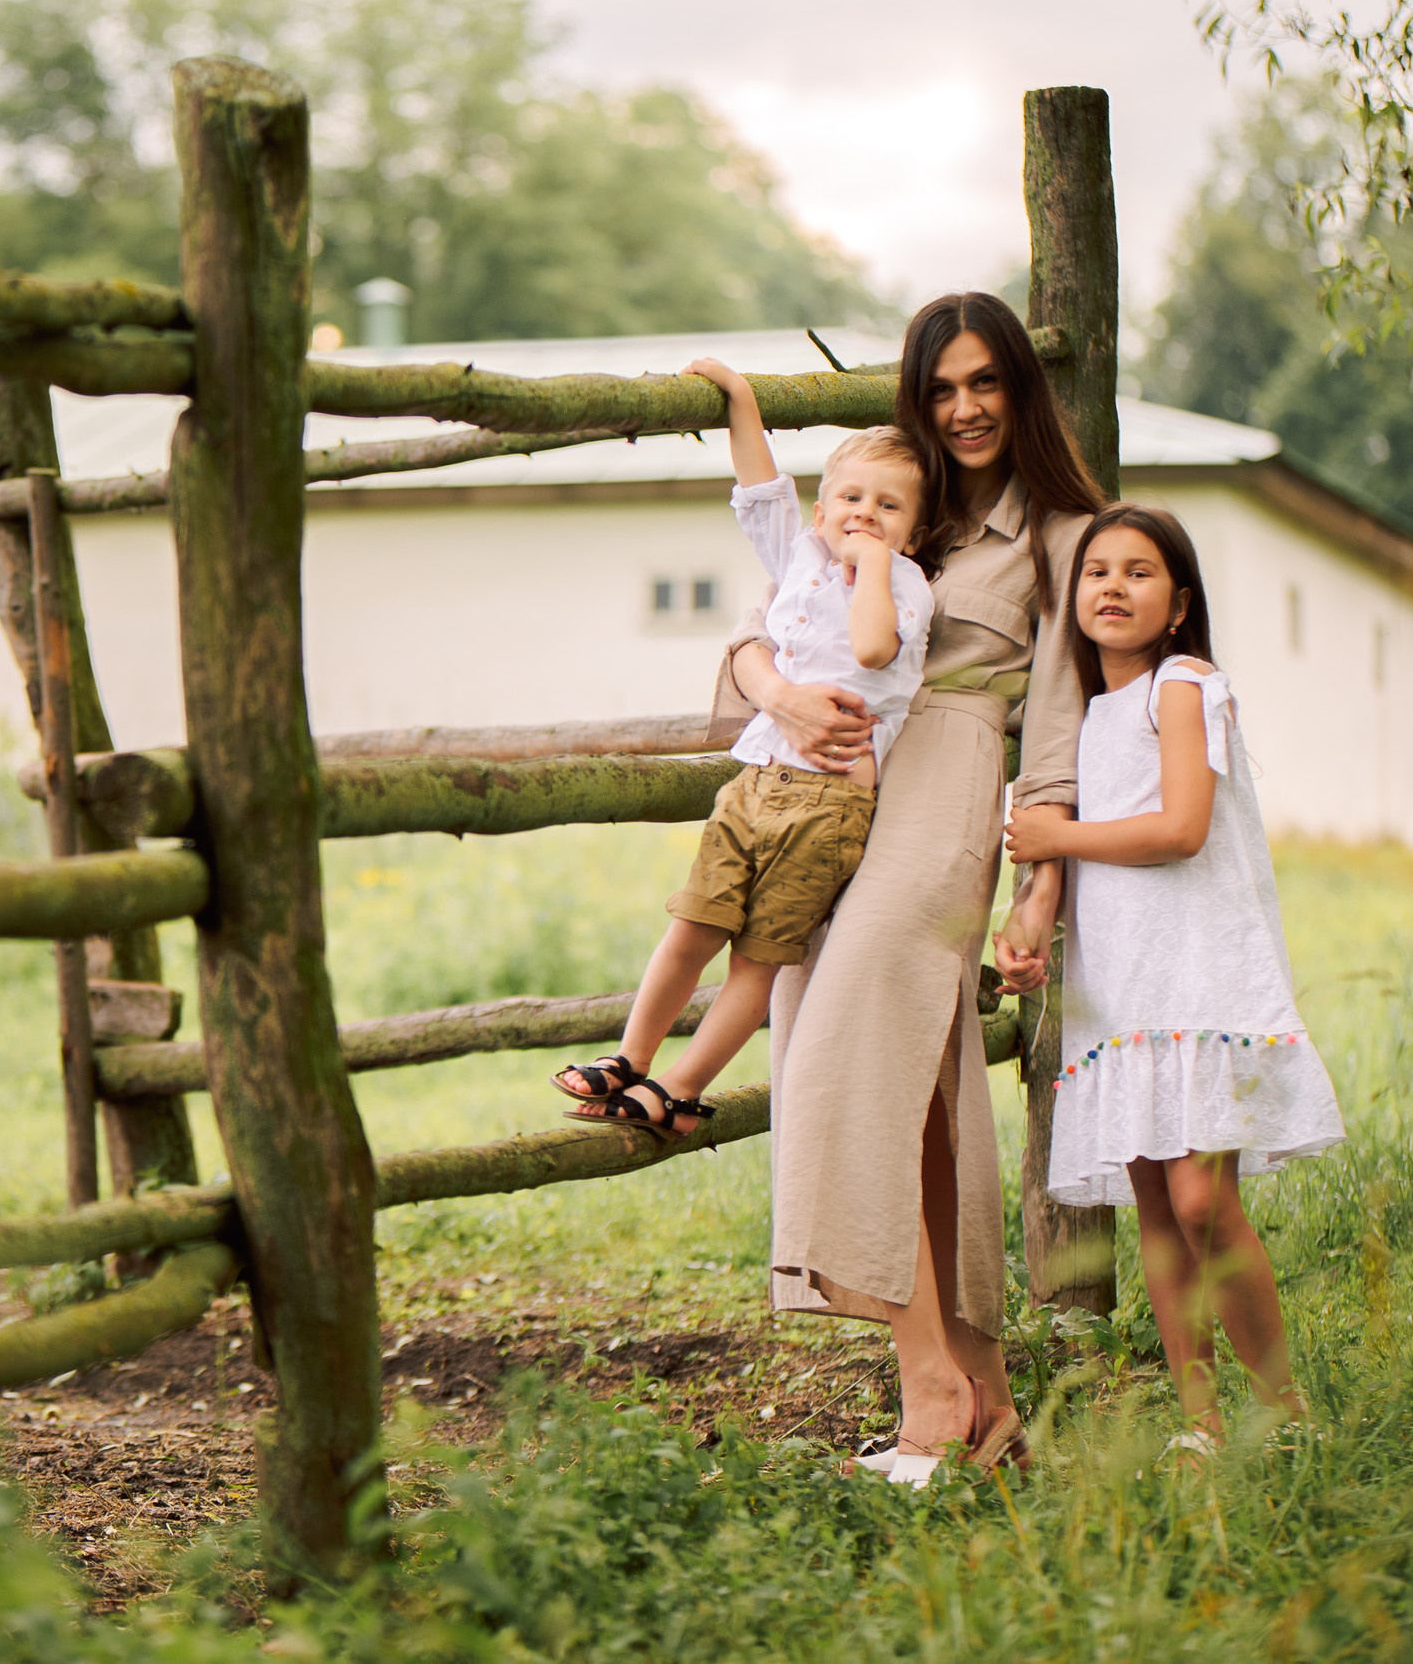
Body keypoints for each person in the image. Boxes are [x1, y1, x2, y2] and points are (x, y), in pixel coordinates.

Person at [731, 292, 1103, 1483]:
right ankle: (977, 1399)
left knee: (844, 1037)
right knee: (915, 1083)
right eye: (941, 388)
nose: (963, 408)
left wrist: (1037, 885)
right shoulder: (888, 496)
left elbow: (1058, 719)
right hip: (837, 788)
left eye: (985, 382)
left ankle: (933, 1388)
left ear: (1020, 388)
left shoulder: (1058, 530)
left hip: (948, 783)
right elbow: (763, 625)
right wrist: (778, 695)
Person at [997, 504, 1340, 1440]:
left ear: (1180, 604)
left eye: (1139, 571)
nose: (1113, 586)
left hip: (1197, 976)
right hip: (1123, 983)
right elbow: (1061, 843)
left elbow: (1182, 828)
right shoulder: (1082, 717)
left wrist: (1057, 836)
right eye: (1096, 570)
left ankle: (1284, 1410)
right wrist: (1033, 911)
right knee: (1154, 1204)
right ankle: (1202, 1422)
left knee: (1201, 1200)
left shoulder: (1183, 685)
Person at [554, 366, 933, 1135]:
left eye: (888, 506)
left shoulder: (906, 586)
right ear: (821, 512)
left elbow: (870, 648)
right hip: (755, 783)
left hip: (828, 808)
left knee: (754, 963)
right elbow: (761, 487)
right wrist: (741, 398)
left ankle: (679, 1088)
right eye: (851, 499)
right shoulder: (799, 558)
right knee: (691, 927)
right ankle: (630, 1056)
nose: (865, 513)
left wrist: (873, 564)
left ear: (914, 533)